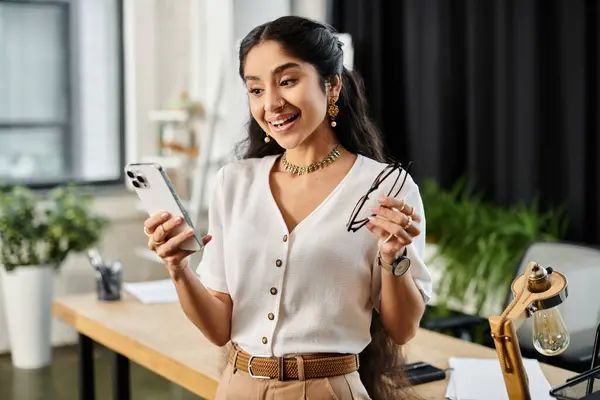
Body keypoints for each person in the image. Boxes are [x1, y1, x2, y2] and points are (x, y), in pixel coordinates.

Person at [142, 15, 432, 400]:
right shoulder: (234, 182)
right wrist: (178, 269)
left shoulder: (386, 188)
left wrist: (394, 258)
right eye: (256, 90)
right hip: (237, 386)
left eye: (288, 81)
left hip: (329, 388)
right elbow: (218, 328)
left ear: (331, 88)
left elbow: (403, 329)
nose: (271, 103)